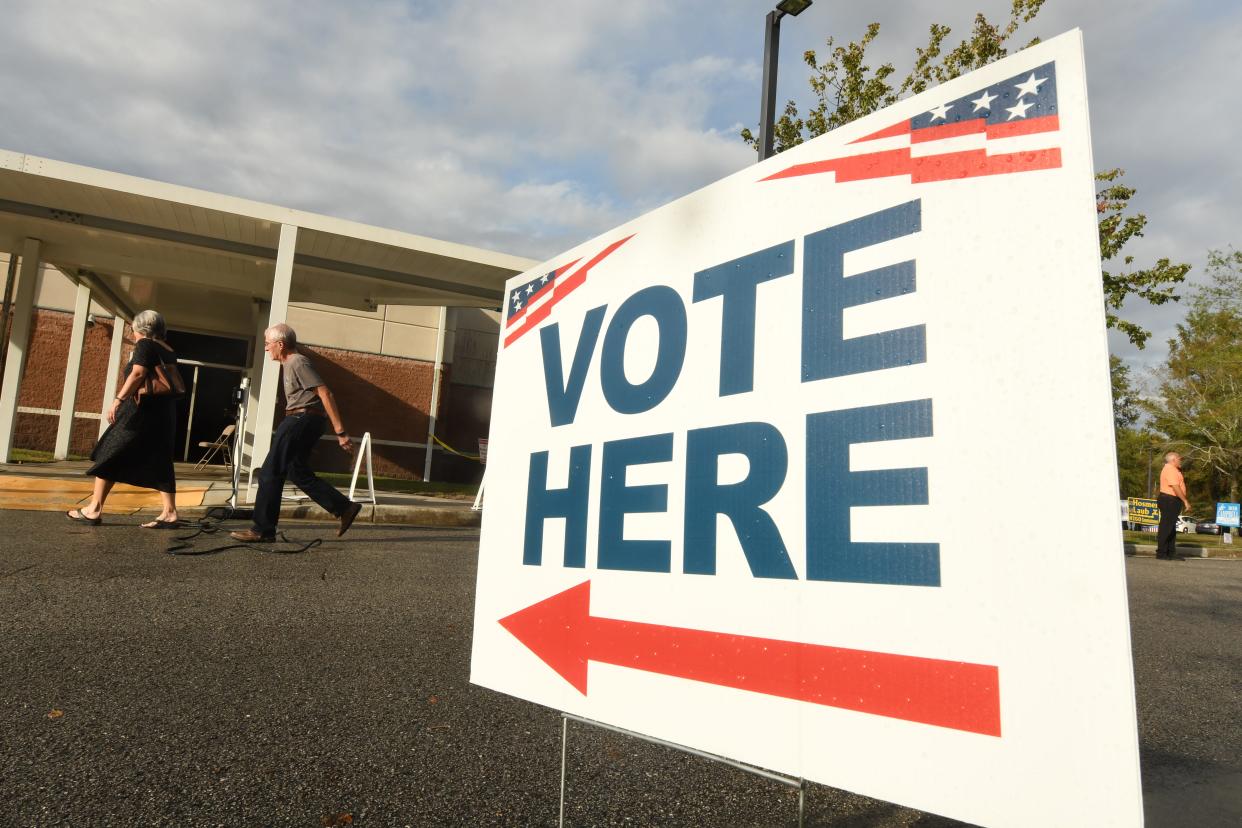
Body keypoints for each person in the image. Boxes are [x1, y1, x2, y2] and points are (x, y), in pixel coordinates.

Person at [230, 323, 361, 542]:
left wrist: (341, 432)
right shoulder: (289, 363)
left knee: (269, 472)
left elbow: (325, 392)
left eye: (267, 344)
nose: (266, 348)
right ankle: (344, 508)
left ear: (280, 344)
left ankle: (262, 530)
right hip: (303, 418)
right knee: (296, 471)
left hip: (301, 419)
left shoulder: (297, 361)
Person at [67, 310, 181, 528]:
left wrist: (118, 400)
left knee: (109, 451)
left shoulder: (145, 345)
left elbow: (138, 374)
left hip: (139, 413)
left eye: (133, 325)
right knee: (160, 458)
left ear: (139, 327)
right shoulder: (167, 349)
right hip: (163, 414)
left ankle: (93, 509)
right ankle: (170, 513)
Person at [1155, 451, 1190, 561]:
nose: (1181, 461)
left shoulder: (1174, 470)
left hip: (1172, 500)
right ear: (1173, 460)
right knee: (1166, 527)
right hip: (1169, 500)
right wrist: (1185, 501)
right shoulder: (1170, 469)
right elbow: (1175, 487)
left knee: (1170, 527)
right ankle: (1161, 553)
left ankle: (1171, 552)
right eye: (1179, 459)